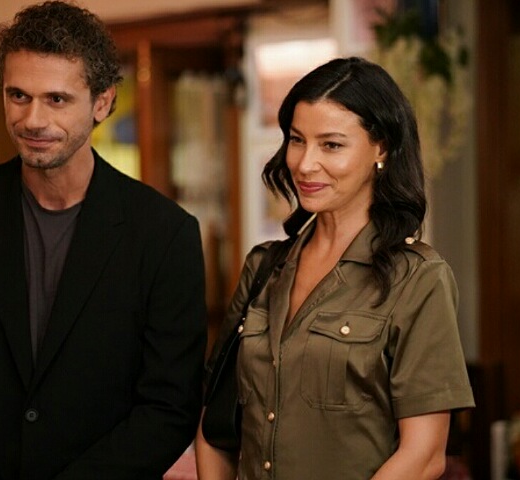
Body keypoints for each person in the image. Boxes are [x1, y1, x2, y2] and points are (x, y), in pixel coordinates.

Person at [0, 2, 207, 478]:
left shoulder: (164, 234)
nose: (33, 119)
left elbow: (168, 408)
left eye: (57, 99)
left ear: (102, 102)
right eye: (18, 95)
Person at [195, 57, 475, 480]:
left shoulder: (418, 278)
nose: (305, 163)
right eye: (297, 140)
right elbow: (215, 425)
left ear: (381, 148)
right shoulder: (263, 266)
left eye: (331, 145)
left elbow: (423, 456)